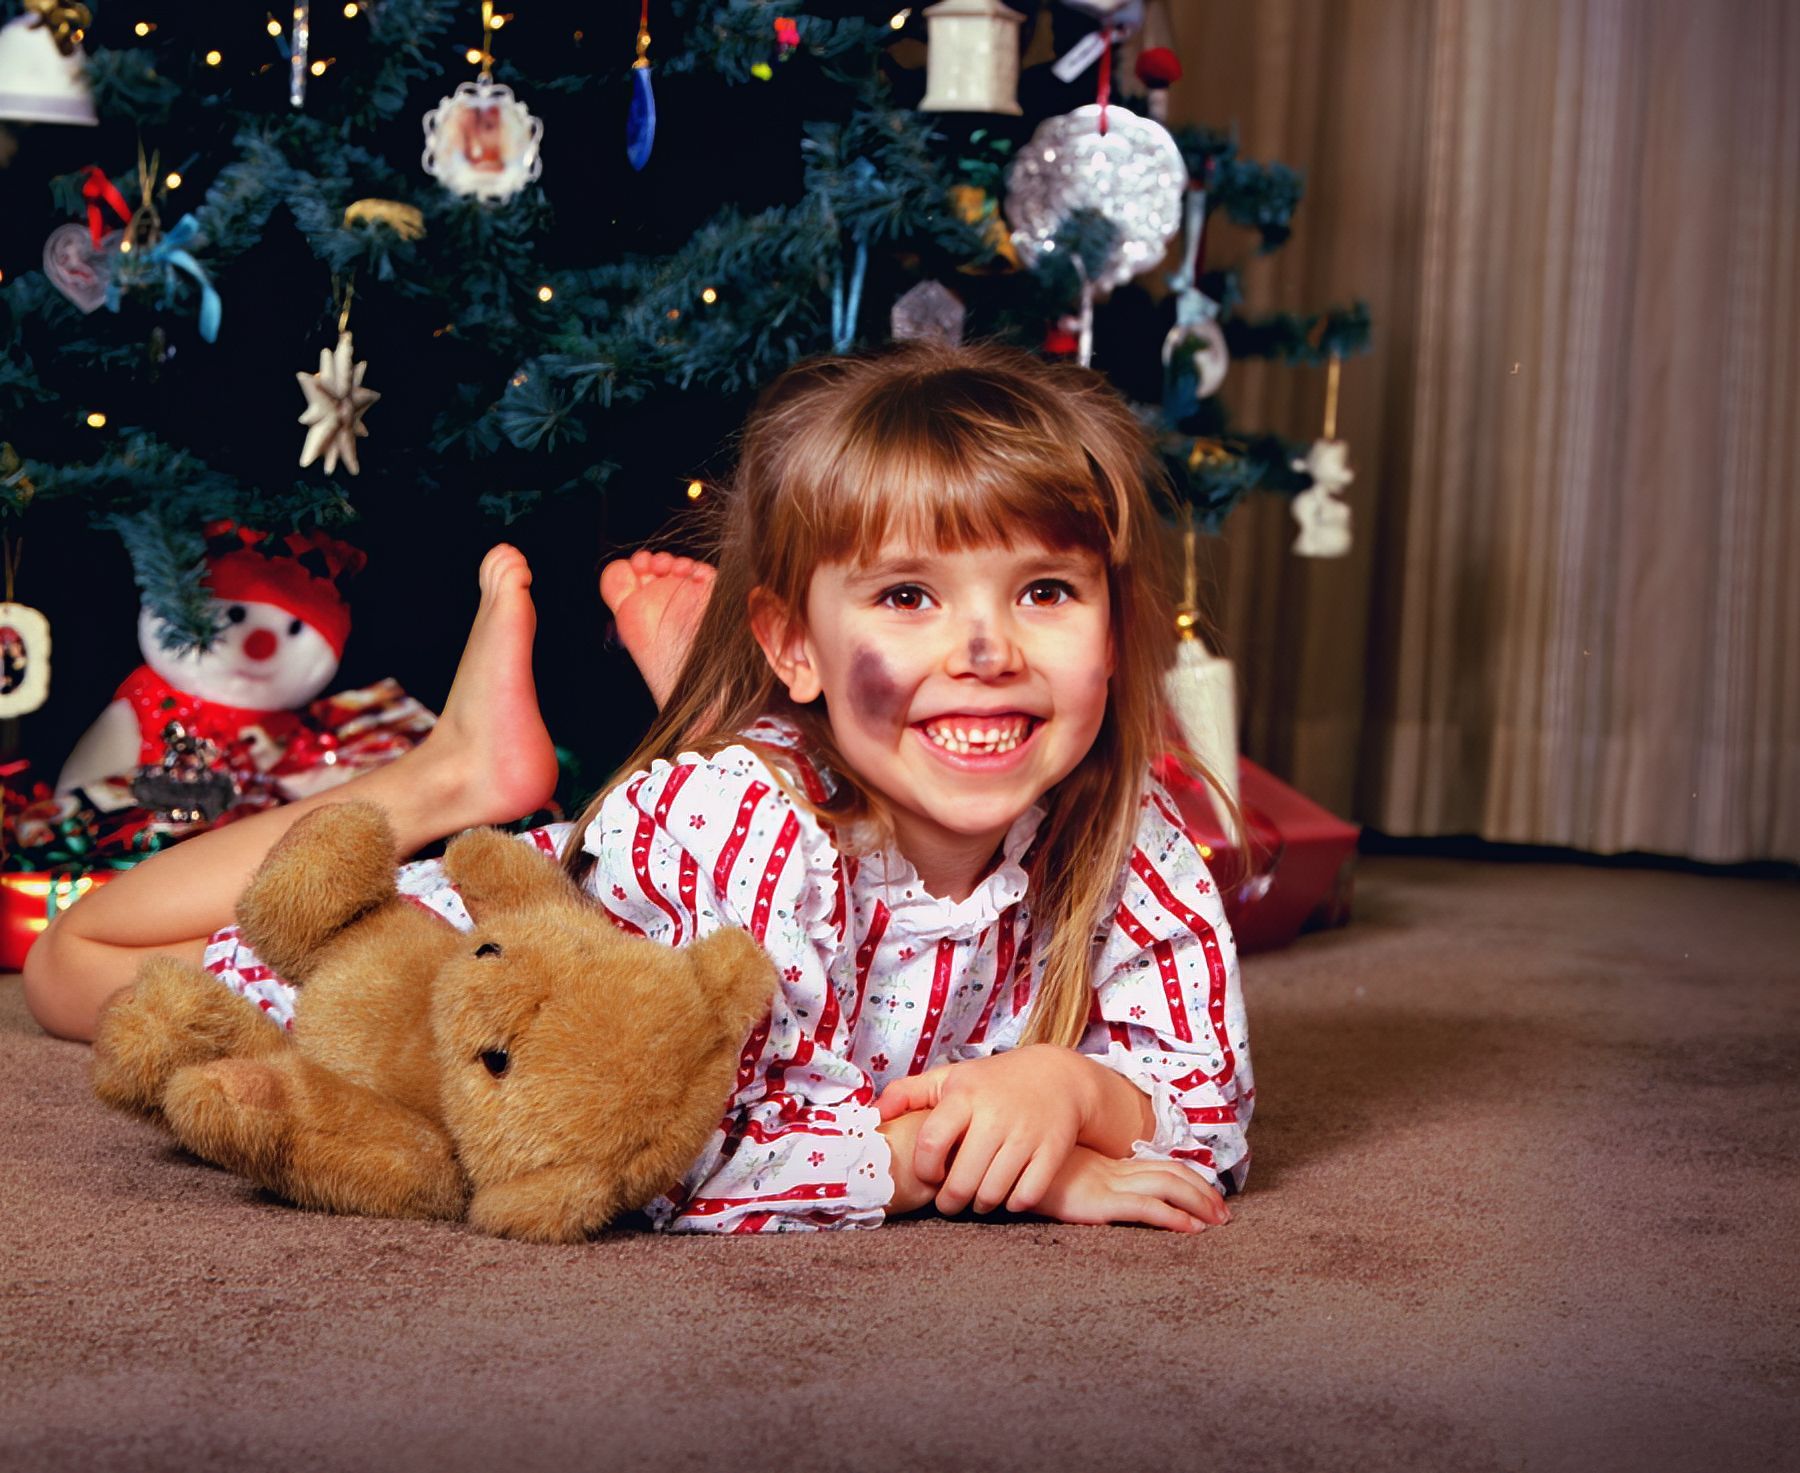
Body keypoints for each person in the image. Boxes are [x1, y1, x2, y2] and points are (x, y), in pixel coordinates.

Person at [27, 340, 1252, 1236]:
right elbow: (681, 1159)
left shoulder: (1127, 830)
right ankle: (449, 773)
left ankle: (701, 728)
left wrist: (1071, 1087)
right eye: (908, 595)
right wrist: (1015, 1166)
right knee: (72, 961)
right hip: (474, 970)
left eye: (1045, 592)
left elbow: (1211, 1107)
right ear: (796, 642)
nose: (988, 648)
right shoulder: (752, 834)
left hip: (691, 858)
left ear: (1112, 627)